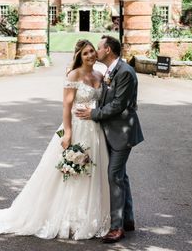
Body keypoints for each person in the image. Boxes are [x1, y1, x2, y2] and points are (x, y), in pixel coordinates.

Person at [0, 39, 110, 240]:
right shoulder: (74, 75)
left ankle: (87, 217)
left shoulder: (100, 74)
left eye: (92, 51)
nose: (91, 55)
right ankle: (67, 218)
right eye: (85, 53)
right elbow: (66, 107)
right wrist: (67, 133)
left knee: (92, 173)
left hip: (95, 130)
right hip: (77, 128)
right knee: (71, 175)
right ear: (79, 57)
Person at [75, 35, 144, 244]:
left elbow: (118, 105)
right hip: (109, 131)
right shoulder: (110, 70)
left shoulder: (125, 72)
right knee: (121, 176)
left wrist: (93, 114)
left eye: (99, 47)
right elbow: (107, 98)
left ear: (108, 51)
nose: (96, 51)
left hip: (123, 132)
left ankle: (117, 227)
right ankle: (128, 219)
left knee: (114, 175)